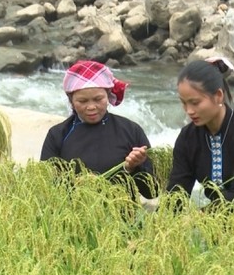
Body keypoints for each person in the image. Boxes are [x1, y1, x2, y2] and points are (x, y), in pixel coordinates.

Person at [167, 58, 234, 206]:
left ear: (218, 96)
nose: (189, 111)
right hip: (213, 222)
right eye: (183, 103)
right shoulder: (187, 138)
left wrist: (198, 218)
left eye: (195, 102)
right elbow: (176, 193)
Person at [40, 60, 156, 199]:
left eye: (98, 99)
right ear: (71, 101)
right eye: (82, 101)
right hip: (75, 216)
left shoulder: (131, 130)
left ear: (108, 95)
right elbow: (46, 189)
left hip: (121, 217)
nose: (91, 107)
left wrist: (134, 167)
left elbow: (151, 192)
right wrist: (81, 186)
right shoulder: (57, 135)